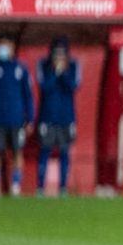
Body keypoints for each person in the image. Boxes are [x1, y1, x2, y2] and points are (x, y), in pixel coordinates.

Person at [0, 37, 34, 197]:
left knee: (17, 152)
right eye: (1, 46)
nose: (3, 50)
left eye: (6, 46)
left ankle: (16, 186)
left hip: (17, 120)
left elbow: (28, 96)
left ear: (12, 49)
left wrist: (30, 119)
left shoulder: (21, 69)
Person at [35, 37, 79, 196]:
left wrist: (63, 73)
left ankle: (63, 188)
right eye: (56, 54)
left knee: (65, 152)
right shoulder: (43, 65)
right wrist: (55, 72)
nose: (59, 57)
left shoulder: (73, 65)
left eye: (62, 54)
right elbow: (44, 87)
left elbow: (73, 86)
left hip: (66, 118)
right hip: (47, 117)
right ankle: (40, 187)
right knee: (44, 151)